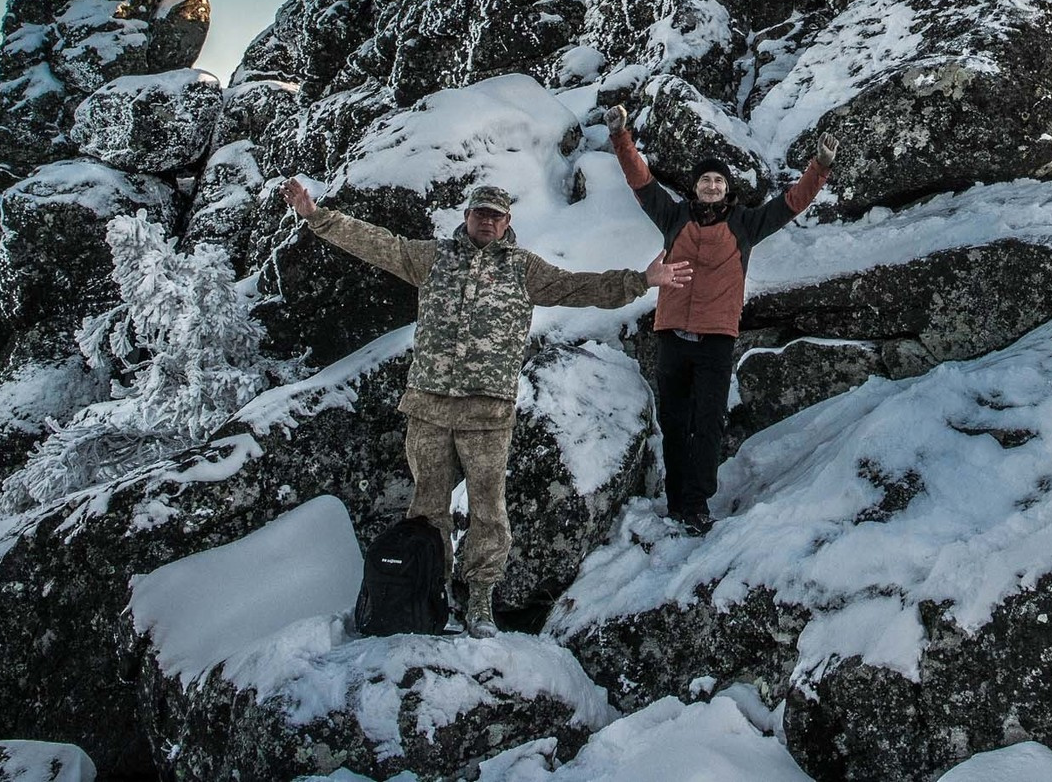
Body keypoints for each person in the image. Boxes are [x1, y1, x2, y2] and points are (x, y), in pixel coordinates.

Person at [277, 176, 689, 637]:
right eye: (480, 213)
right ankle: (428, 598)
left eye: (496, 215)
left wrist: (641, 281)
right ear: (467, 217)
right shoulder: (433, 258)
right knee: (427, 509)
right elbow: (378, 243)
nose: (487, 221)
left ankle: (479, 604)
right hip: (429, 406)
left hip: (487, 414)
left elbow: (579, 287)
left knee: (488, 511)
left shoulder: (523, 269)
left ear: (508, 223)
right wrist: (317, 218)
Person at [602, 106, 839, 533]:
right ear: (695, 186)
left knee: (707, 424)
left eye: (718, 181)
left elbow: (791, 203)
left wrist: (819, 167)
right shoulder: (674, 217)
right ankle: (680, 501)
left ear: (726, 188)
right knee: (674, 424)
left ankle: (698, 498)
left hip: (715, 341)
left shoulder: (745, 224)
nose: (711, 186)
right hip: (672, 336)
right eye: (705, 180)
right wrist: (621, 137)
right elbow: (640, 179)